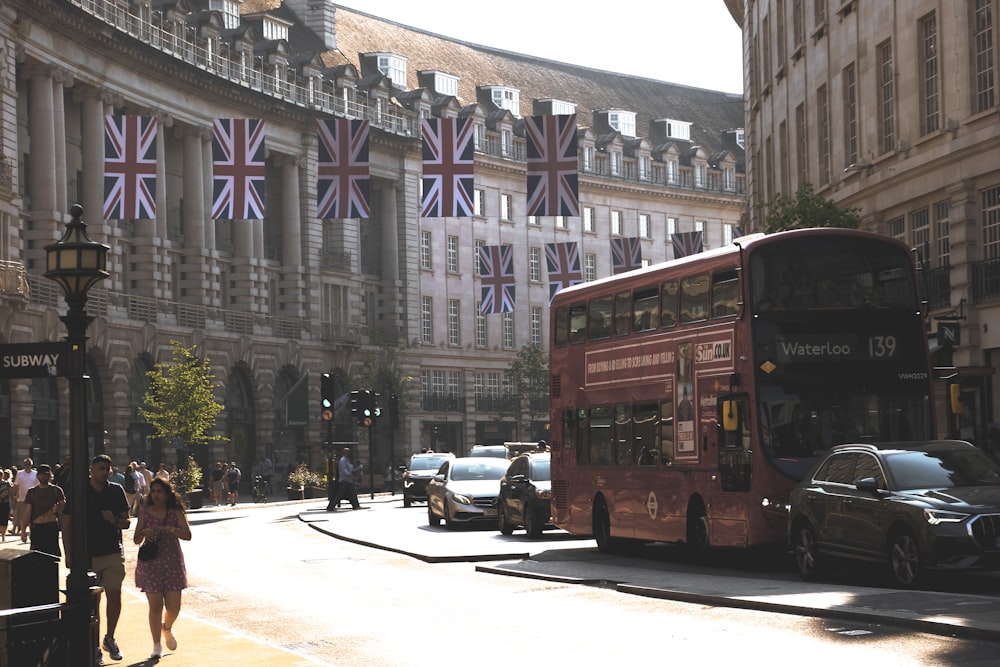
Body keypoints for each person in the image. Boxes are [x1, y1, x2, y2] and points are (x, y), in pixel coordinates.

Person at [62, 454, 131, 664]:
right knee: (94, 603)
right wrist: (69, 554)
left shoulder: (115, 490)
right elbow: (66, 523)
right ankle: (94, 646)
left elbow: (126, 522)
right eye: (101, 468)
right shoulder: (79, 492)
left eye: (107, 469)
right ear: (91, 469)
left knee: (114, 595)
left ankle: (109, 638)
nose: (105, 472)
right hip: (88, 555)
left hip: (111, 551)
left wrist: (115, 521)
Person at [134, 477, 191, 659]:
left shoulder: (175, 512)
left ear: (167, 494)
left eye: (160, 491)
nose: (156, 495)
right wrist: (144, 532)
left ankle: (166, 627)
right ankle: (156, 644)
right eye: (154, 491)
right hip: (151, 563)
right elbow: (136, 538)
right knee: (155, 605)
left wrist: (171, 529)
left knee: (174, 607)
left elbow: (187, 535)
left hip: (171, 561)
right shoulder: (145, 511)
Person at [23, 464, 65, 558]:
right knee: (36, 556)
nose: (44, 476)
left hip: (51, 527)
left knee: (52, 556)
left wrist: (58, 507)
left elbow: (63, 504)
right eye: (42, 474)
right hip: (37, 527)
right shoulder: (32, 492)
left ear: (50, 475)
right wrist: (23, 530)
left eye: (46, 474)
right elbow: (27, 512)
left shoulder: (56, 490)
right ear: (37, 475)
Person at [13, 457, 38, 542]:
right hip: (22, 499)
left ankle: (32, 534)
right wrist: (14, 497)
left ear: (31, 465)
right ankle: (23, 533)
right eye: (26, 464)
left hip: (34, 500)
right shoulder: (19, 474)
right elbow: (16, 486)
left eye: (29, 464)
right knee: (23, 519)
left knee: (32, 518)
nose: (27, 466)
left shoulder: (36, 474)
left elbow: (39, 486)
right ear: (24, 465)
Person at [0, 470, 11, 542]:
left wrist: (13, 502)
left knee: (4, 519)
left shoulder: (6, 483)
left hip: (5, 503)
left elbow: (11, 493)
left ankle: (3, 535)